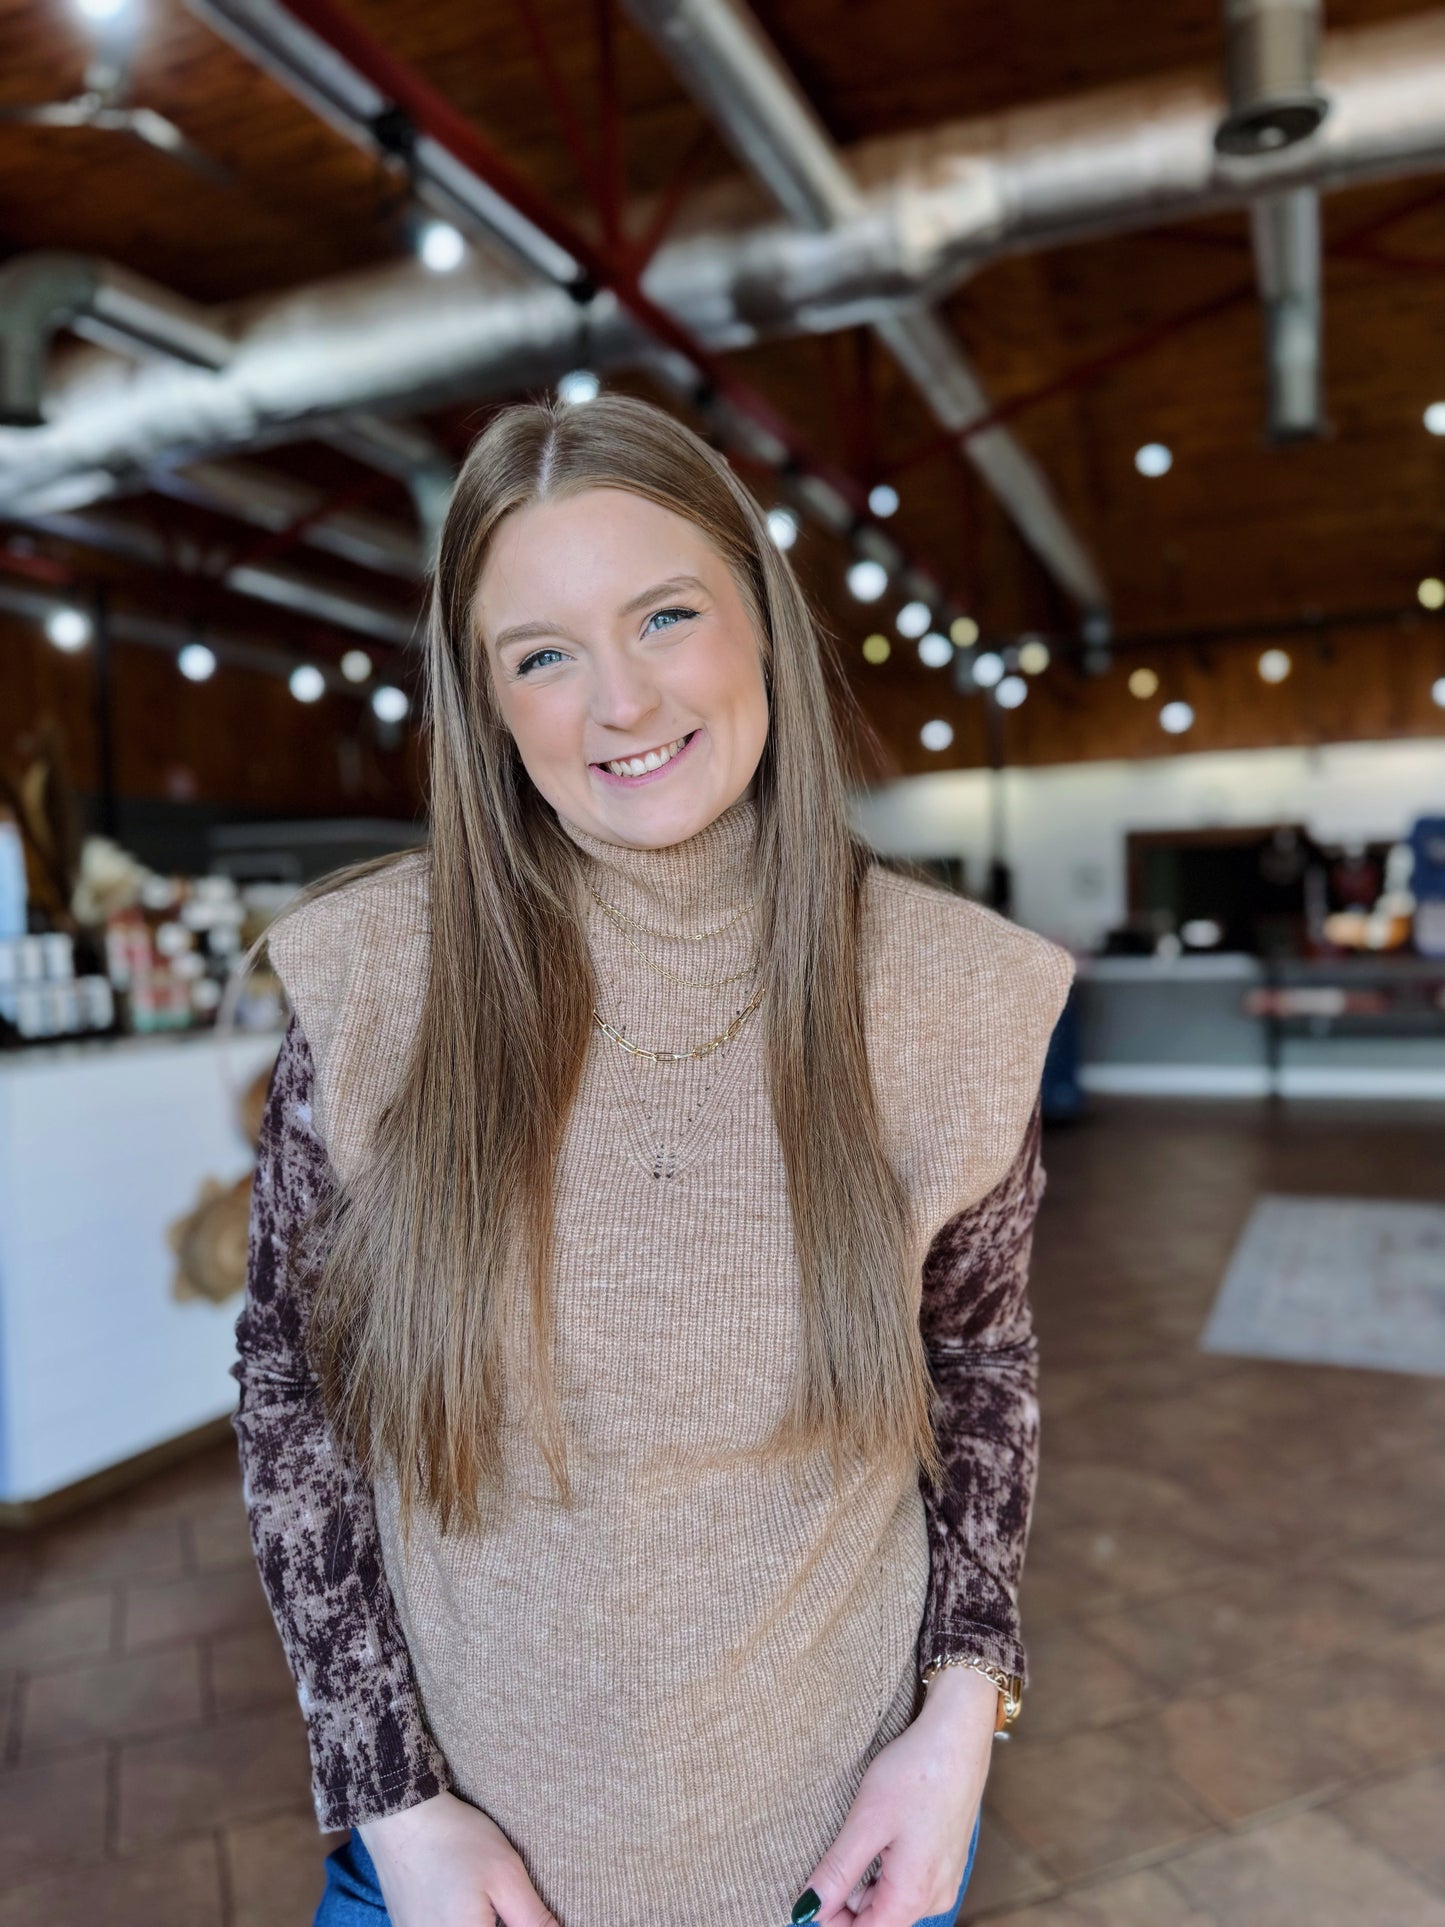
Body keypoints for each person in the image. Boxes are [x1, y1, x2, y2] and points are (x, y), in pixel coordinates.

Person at [236, 392, 1073, 1927]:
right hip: (448, 1875)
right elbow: (295, 1388)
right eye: (540, 654)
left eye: (665, 616)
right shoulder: (374, 986)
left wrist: (963, 1715)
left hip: (839, 1867)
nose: (618, 703)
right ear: (487, 703)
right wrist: (395, 1803)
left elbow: (978, 1366)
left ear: (757, 618)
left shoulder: (953, 996)